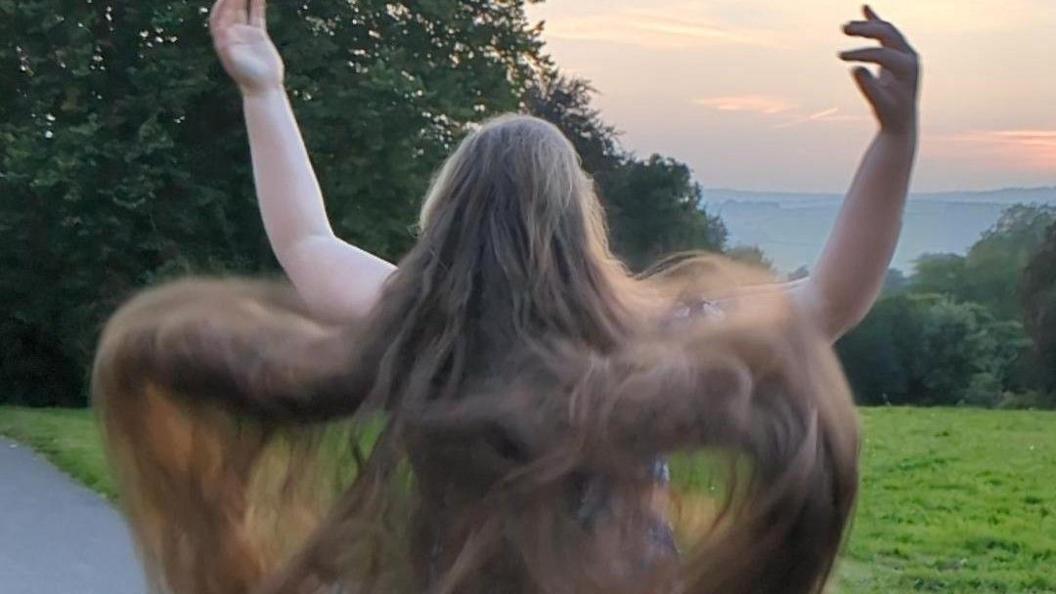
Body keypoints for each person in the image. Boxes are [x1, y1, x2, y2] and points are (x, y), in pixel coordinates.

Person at [92, 2, 919, 593]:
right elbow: (828, 302)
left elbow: (306, 241)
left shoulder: (414, 321)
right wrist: (895, 140)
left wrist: (264, 91)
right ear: (579, 217)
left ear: (444, 215)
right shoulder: (646, 332)